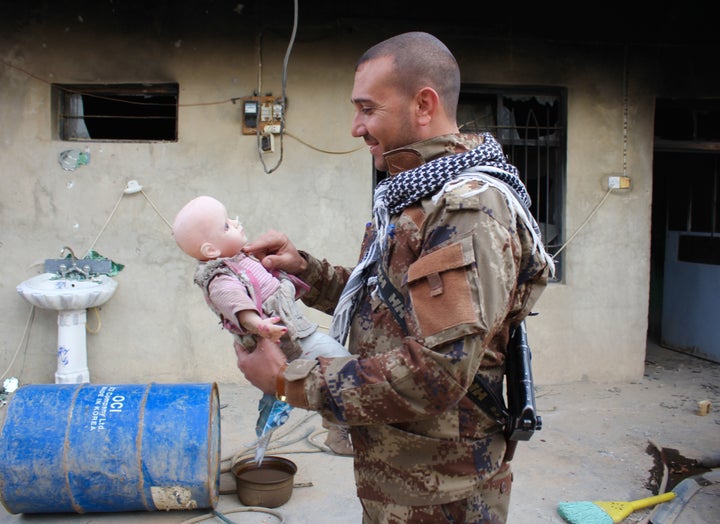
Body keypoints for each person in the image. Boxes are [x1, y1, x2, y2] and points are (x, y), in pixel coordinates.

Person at [235, 31, 554, 523]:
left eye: (367, 109)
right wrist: (307, 271)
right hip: (402, 477)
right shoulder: (414, 196)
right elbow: (393, 309)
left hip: (442, 493)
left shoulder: (466, 209)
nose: (355, 127)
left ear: (423, 104)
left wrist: (289, 383)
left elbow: (437, 373)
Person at [172, 195, 352, 457]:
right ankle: (338, 430)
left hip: (293, 328)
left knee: (334, 373)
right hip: (287, 340)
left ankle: (337, 428)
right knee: (343, 367)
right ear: (211, 250)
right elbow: (237, 306)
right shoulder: (220, 277)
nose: (235, 222)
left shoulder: (240, 260)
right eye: (226, 226)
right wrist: (260, 325)